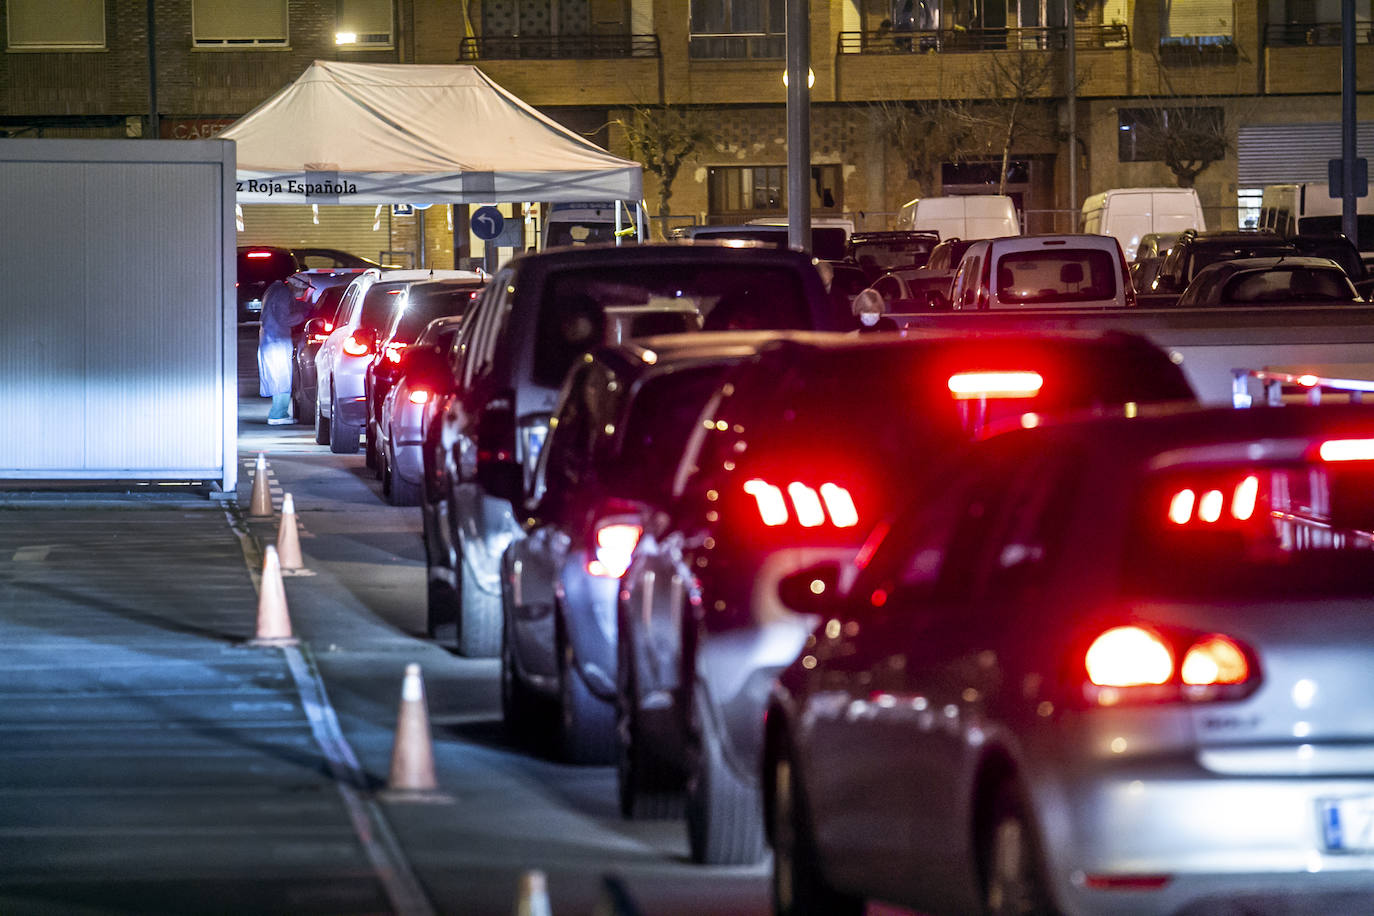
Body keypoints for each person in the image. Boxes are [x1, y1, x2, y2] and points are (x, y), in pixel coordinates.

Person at [257, 279, 305, 425]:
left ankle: (279, 412)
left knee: (278, 376)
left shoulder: (276, 290)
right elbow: (284, 319)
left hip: (271, 339)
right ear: (295, 285)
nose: (302, 293)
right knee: (281, 376)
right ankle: (278, 415)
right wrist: (303, 315)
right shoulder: (282, 294)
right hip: (277, 340)